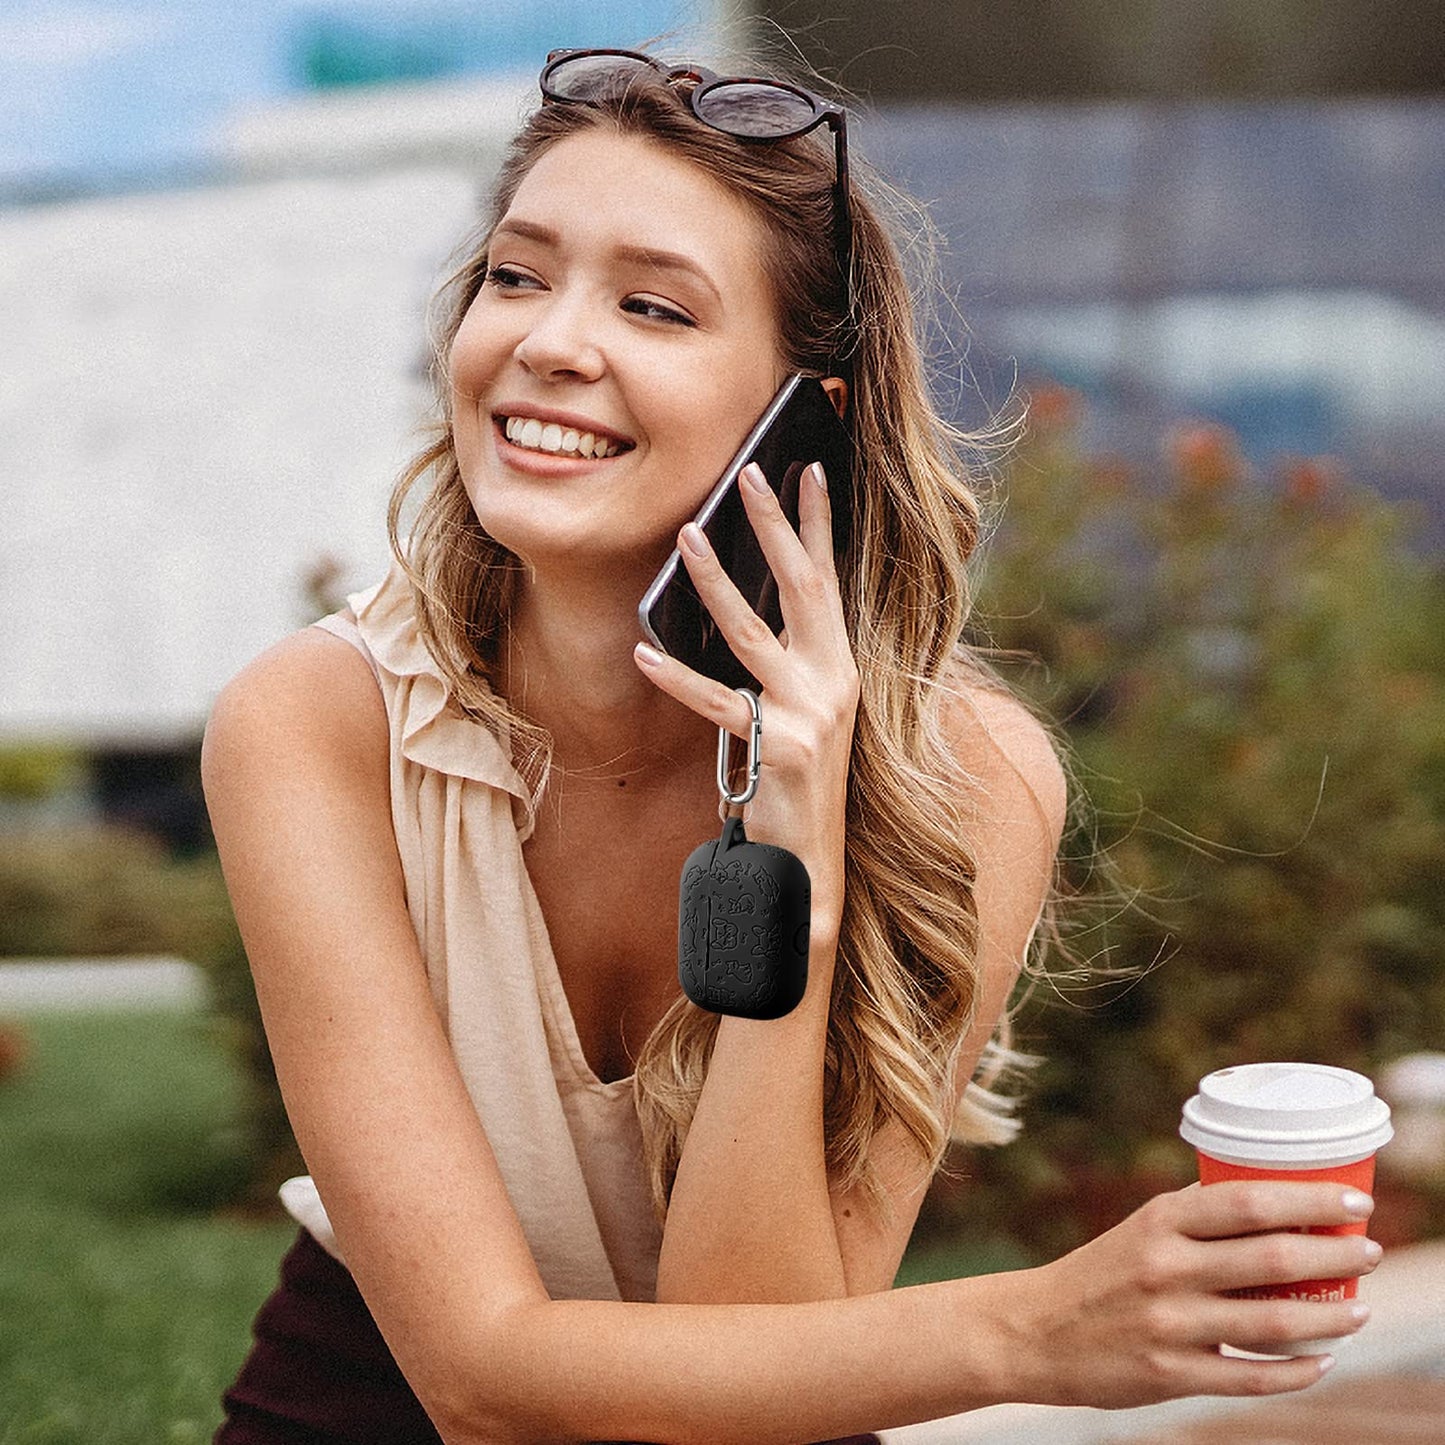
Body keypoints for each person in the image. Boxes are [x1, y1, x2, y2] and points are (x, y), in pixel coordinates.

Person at [203, 46, 1381, 1445]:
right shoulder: (317, 721)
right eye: (516, 276)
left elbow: (748, 1365)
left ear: (798, 425)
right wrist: (1023, 1332)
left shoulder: (966, 780)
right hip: (371, 1399)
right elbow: (473, 1378)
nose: (549, 341)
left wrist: (792, 867)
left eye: (652, 305)